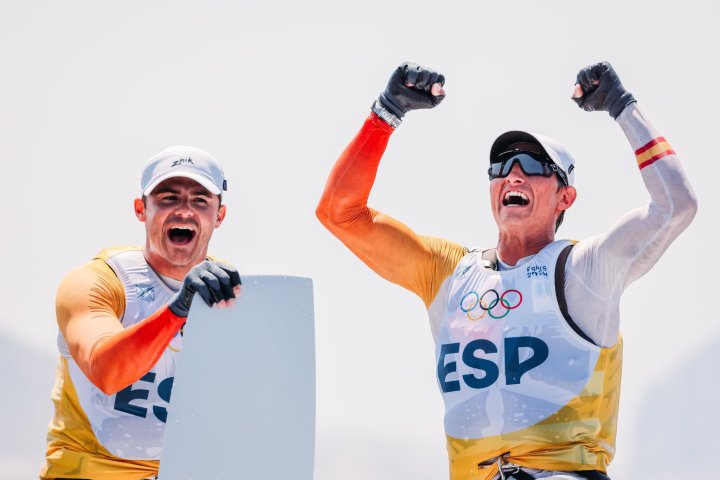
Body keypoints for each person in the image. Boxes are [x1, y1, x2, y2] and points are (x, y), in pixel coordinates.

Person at [316, 61, 697, 480]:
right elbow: (340, 213)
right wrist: (386, 112)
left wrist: (622, 106)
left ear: (565, 198)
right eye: (501, 167)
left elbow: (676, 205)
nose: (513, 173)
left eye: (534, 166)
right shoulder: (447, 272)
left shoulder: (584, 269)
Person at [40, 146, 242, 480]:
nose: (184, 212)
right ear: (141, 209)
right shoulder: (99, 282)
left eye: (200, 201)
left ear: (219, 215)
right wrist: (177, 309)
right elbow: (107, 372)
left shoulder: (230, 289)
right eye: (168, 198)